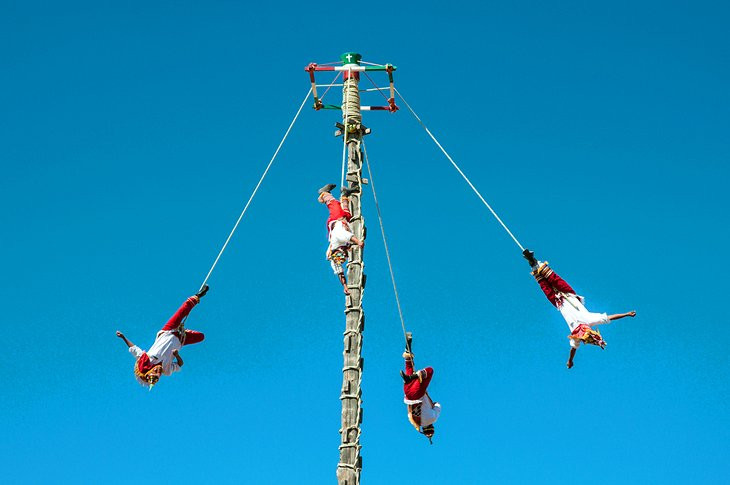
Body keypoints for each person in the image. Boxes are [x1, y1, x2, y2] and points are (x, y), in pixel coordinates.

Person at [523, 249, 636, 368]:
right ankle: (534, 261)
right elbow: (609, 318)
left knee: (544, 285)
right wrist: (626, 314)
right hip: (569, 295)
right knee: (553, 278)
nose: (582, 331)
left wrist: (570, 361)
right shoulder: (590, 320)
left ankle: (532, 262)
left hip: (558, 302)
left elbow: (573, 349)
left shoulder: (576, 335)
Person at [116, 285, 209, 388]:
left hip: (167, 331)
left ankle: (198, 296)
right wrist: (177, 355)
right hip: (180, 340)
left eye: (155, 371)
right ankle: (182, 331)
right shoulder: (167, 370)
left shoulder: (147, 359)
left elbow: (133, 348)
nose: (158, 371)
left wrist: (123, 337)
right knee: (201, 337)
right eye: (158, 374)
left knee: (182, 312)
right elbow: (180, 364)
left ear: (149, 370)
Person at [318, 184, 364, 295]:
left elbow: (347, 236)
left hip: (336, 220)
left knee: (335, 205)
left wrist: (358, 242)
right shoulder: (336, 262)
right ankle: (345, 193)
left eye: (342, 253)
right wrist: (345, 286)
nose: (344, 254)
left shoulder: (337, 241)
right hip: (343, 222)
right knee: (347, 214)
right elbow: (340, 273)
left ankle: (324, 194)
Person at [400, 333, 440, 443]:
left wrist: (428, 400)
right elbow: (409, 410)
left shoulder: (434, 418)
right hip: (407, 395)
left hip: (418, 394)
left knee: (430, 370)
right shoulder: (416, 422)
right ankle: (408, 352)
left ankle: (412, 376)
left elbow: (437, 404)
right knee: (409, 369)